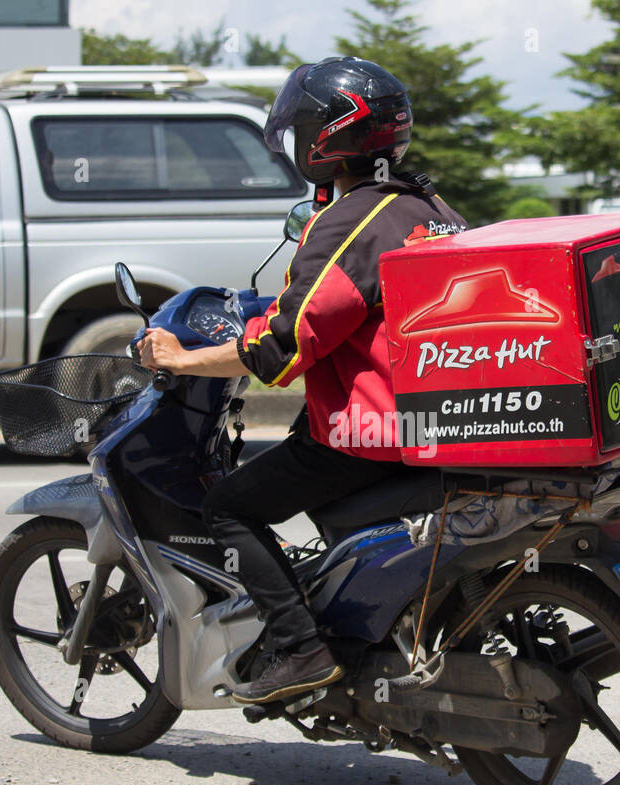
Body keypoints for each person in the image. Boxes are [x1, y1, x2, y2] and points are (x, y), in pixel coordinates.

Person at [136, 56, 467, 705]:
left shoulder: (348, 223)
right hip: (441, 416)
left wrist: (178, 360)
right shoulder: (430, 207)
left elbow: (280, 353)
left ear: (325, 138)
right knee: (297, 440)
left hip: (371, 431)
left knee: (229, 506)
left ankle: (301, 648)